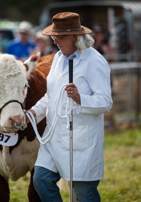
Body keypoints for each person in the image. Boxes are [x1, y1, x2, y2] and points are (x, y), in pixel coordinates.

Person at [26, 12, 113, 202]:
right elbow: (52, 95)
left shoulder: (95, 61)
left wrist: (80, 98)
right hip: (54, 137)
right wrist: (31, 113)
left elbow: (105, 101)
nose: (56, 41)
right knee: (41, 179)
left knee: (84, 194)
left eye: (61, 37)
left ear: (75, 36)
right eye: (54, 37)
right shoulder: (58, 58)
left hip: (81, 141)